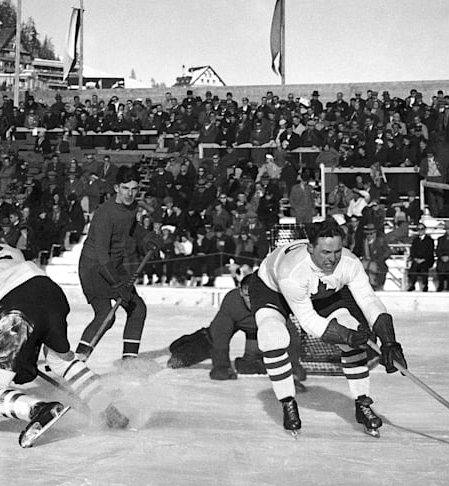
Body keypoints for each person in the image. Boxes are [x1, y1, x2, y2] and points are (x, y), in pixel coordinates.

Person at [0, 223, 127, 448]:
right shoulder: (7, 249)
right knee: (61, 360)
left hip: (16, 308)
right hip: (50, 292)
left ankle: (39, 409)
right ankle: (108, 410)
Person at [249, 218, 408, 436]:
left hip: (320, 291)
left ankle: (363, 404)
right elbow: (309, 322)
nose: (332, 259)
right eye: (325, 253)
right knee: (273, 336)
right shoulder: (293, 272)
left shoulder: (349, 263)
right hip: (272, 289)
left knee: (352, 328)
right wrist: (348, 337)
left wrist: (390, 340)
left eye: (337, 252)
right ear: (310, 247)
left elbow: (369, 301)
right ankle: (287, 402)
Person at [75, 165, 160, 362]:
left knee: (137, 308)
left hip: (113, 265)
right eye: (125, 188)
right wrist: (118, 284)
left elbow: (130, 228)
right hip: (94, 267)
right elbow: (102, 253)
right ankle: (78, 361)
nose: (130, 193)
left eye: (134, 188)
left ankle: (129, 362)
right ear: (116, 188)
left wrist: (146, 238)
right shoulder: (105, 213)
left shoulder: (131, 207)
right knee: (106, 315)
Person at [165, 273, 306, 383]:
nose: (251, 300)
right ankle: (183, 347)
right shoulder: (233, 302)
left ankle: (248, 360)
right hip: (233, 324)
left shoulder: (274, 302)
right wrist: (221, 366)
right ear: (240, 293)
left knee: (257, 361)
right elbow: (220, 336)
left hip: (259, 330)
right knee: (201, 345)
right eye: (246, 295)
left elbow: (291, 336)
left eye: (255, 295)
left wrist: (293, 367)